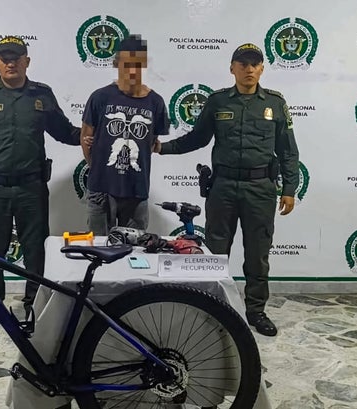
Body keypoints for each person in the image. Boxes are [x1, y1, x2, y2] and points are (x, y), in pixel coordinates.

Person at [154, 43, 300, 337]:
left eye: (254, 64)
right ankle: (214, 308)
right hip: (223, 187)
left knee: (258, 253)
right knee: (216, 251)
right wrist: (162, 147)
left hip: (260, 188)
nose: (249, 69)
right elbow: (197, 138)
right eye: (243, 64)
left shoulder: (275, 103)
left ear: (262, 69)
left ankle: (256, 311)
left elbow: (288, 150)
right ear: (232, 68)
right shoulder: (218, 101)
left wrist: (289, 188)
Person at [0, 36, 82, 334]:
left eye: (16, 58)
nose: (10, 63)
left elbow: (65, 132)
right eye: (5, 58)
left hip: (31, 188)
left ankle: (34, 305)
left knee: (36, 252)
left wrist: (94, 133)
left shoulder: (42, 95)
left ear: (27, 61)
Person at [80, 34, 170, 236]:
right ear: (117, 64)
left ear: (143, 64)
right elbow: (85, 139)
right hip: (101, 191)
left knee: (135, 251)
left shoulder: (156, 102)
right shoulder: (100, 97)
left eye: (137, 65)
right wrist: (100, 169)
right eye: (127, 64)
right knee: (99, 248)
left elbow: (153, 143)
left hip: (136, 192)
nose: (132, 71)